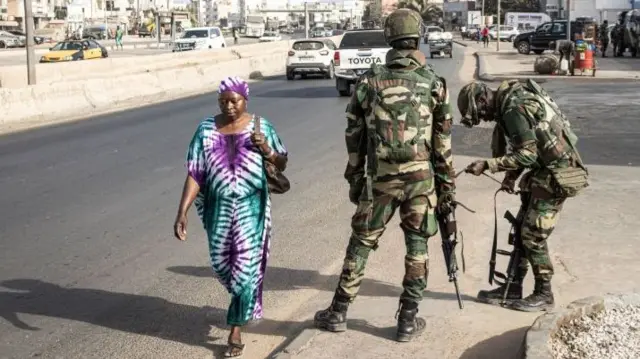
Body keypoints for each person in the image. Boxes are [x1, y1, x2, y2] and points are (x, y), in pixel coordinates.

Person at [313, 8, 456, 342]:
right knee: (417, 245)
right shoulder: (434, 83)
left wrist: (355, 178)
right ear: (417, 36)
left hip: (379, 181)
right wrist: (447, 186)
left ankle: (338, 311)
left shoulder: (368, 81)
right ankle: (407, 320)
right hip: (421, 181)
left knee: (361, 242)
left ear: (389, 37)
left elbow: (354, 136)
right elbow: (443, 144)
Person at [173, 76, 288, 357]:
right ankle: (242, 303)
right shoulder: (205, 130)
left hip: (252, 208)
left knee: (246, 270)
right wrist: (182, 212)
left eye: (234, 101)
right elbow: (195, 173)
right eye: (223, 101)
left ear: (245, 100)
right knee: (223, 266)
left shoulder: (261, 127)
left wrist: (267, 149)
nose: (229, 106)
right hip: (218, 211)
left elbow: (282, 161)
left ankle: (235, 328)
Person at [457, 80, 589, 312]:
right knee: (520, 229)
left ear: (482, 100)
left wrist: (488, 165)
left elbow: (527, 155)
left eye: (482, 114)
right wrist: (510, 177)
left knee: (532, 235)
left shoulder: (513, 109)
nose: (485, 119)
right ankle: (512, 287)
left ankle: (544, 293)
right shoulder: (510, 101)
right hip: (543, 170)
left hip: (557, 173)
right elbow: (528, 147)